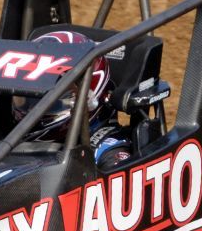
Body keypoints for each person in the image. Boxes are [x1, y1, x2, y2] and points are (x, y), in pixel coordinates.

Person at [11, 30, 133, 167]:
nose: (34, 106)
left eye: (48, 97)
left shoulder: (106, 152)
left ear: (88, 97)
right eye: (30, 94)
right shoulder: (9, 132)